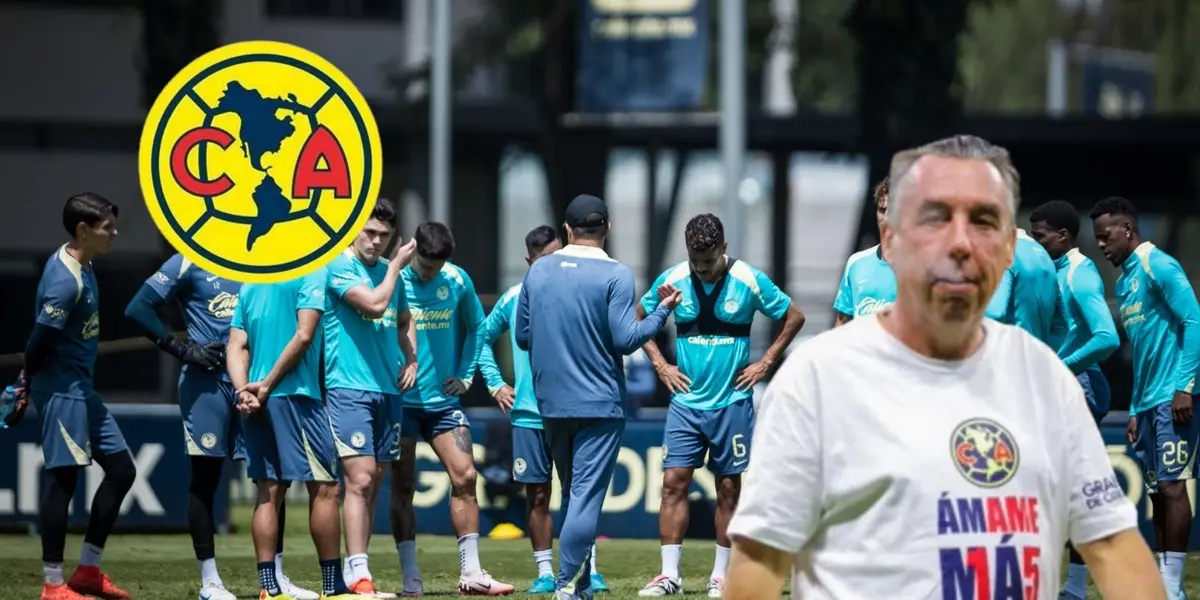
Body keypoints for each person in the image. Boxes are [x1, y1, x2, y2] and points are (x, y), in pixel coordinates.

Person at [723, 135, 1162, 600]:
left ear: (1010, 246)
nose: (961, 243)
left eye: (984, 221)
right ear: (892, 239)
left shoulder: (1046, 377)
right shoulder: (815, 380)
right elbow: (757, 566)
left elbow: (1114, 547)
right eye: (935, 219)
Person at [124, 251, 315, 600]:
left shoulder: (264, 258)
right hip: (206, 385)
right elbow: (137, 307)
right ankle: (210, 582)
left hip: (257, 381)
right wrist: (181, 349)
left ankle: (275, 579)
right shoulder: (188, 259)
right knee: (206, 478)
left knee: (272, 481)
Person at [515, 194, 680, 600]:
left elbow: (521, 335)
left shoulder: (537, 273)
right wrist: (661, 312)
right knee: (585, 497)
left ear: (566, 229)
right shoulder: (616, 274)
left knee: (571, 492)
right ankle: (567, 585)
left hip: (550, 403)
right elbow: (626, 339)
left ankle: (581, 583)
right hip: (600, 404)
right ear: (607, 228)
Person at [635, 213, 805, 598]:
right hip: (685, 403)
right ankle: (669, 576)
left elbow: (794, 316)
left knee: (728, 488)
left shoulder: (748, 280)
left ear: (723, 249)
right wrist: (661, 364)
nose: (702, 269)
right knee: (672, 484)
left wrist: (765, 363)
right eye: (696, 261)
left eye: (709, 261)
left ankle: (721, 576)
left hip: (732, 401)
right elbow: (637, 316)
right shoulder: (674, 278)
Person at [478, 225, 613, 594]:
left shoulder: (581, 291)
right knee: (537, 493)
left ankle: (587, 570)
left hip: (571, 408)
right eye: (542, 261)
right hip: (528, 413)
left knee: (578, 493)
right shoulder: (512, 298)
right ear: (528, 262)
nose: (550, 266)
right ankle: (544, 572)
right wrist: (494, 382)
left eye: (555, 257)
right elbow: (481, 338)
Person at [390, 221, 513, 596]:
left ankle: (471, 573)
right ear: (414, 252)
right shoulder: (391, 280)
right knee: (404, 485)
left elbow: (478, 327)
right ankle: (411, 575)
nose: (431, 274)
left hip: (444, 403)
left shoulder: (457, 281)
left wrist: (466, 375)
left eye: (437, 268)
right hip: (401, 403)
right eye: (426, 266)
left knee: (466, 476)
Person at [24, 193, 136, 600]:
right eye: (108, 227)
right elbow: (38, 343)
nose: (115, 233)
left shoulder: (83, 264)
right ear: (83, 231)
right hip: (60, 392)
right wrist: (25, 382)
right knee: (63, 482)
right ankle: (53, 586)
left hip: (81, 391)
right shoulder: (64, 282)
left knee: (123, 471)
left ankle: (88, 570)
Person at [226, 271, 363, 600]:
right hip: (295, 396)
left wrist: (242, 390)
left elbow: (236, 344)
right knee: (325, 489)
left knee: (268, 492)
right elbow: (304, 335)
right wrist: (268, 385)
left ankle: (268, 588)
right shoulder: (311, 273)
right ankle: (333, 587)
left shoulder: (251, 281)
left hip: (257, 398)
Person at [1091, 196, 1200, 600]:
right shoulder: (1124, 282)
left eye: (1106, 237)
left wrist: (1184, 387)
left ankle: (1173, 587)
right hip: (1149, 403)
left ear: (1127, 229)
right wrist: (1136, 408)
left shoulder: (1159, 264)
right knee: (1156, 492)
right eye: (1098, 239)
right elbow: (1144, 352)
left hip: (1176, 398)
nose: (1102, 245)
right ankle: (1163, 581)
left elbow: (1194, 321)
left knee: (1173, 488)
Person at [322, 198, 418, 598]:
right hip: (348, 388)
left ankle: (356, 569)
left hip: (386, 390)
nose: (377, 242)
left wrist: (411, 358)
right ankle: (359, 575)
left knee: (375, 482)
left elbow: (403, 318)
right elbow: (376, 305)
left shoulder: (385, 272)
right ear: (353, 230)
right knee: (358, 479)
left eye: (384, 235)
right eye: (370, 232)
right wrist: (397, 265)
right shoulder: (339, 265)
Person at [1027, 199, 1121, 600]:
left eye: (1040, 236)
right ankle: (1066, 584)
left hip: (1080, 387)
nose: (1035, 243)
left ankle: (1077, 587)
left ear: (1063, 236)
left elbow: (1106, 337)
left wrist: (1059, 366)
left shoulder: (1080, 274)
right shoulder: (1054, 270)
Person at [984, 198, 1059, 343]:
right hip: (1038, 355)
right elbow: (1061, 321)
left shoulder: (1005, 252)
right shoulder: (1043, 254)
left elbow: (995, 313)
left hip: (1011, 355)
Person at [834, 178, 896, 325]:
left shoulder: (921, 267)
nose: (886, 218)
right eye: (882, 210)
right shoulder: (856, 263)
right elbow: (842, 325)